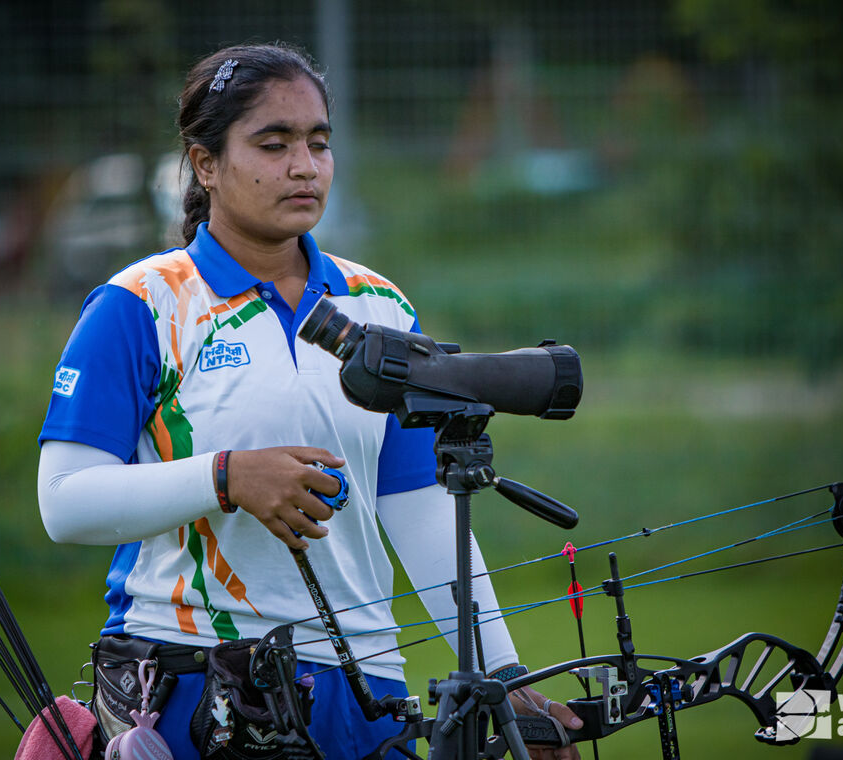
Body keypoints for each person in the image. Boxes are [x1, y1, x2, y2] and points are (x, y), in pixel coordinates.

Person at [37, 41, 581, 760]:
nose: (304, 165)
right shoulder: (141, 304)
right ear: (205, 164)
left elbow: (415, 502)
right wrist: (227, 477)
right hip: (195, 687)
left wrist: (506, 678)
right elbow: (66, 501)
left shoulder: (380, 305)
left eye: (318, 143)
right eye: (273, 143)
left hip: (367, 689)